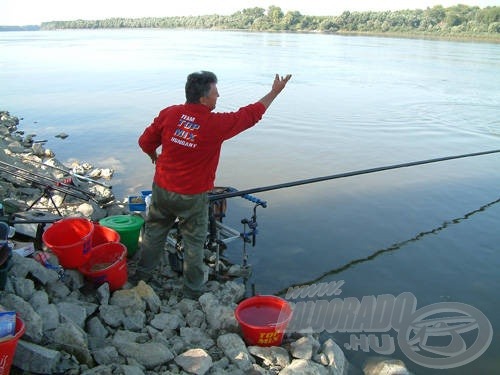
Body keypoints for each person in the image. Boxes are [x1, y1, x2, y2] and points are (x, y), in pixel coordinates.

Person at [137, 71, 292, 297]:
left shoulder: (170, 114)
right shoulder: (214, 124)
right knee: (193, 243)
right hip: (192, 197)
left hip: (162, 189)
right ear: (203, 98)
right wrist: (274, 92)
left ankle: (141, 276)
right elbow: (250, 115)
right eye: (215, 92)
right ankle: (192, 293)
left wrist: (153, 155)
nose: (218, 95)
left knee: (154, 232)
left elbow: (145, 142)